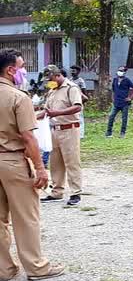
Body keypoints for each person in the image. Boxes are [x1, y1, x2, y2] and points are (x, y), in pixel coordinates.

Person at [0, 49, 65, 281]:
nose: (24, 70)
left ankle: (4, 269)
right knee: (26, 216)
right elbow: (28, 137)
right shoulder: (18, 97)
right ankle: (36, 267)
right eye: (22, 66)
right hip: (12, 160)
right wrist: (40, 168)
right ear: (10, 70)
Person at [40, 65, 84, 206]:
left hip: (69, 129)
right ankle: (57, 191)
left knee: (72, 161)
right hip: (55, 130)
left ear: (58, 75)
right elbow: (47, 111)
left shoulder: (71, 88)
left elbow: (78, 106)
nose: (49, 81)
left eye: (51, 78)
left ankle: (75, 193)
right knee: (55, 163)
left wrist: (57, 113)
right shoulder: (52, 90)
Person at [105, 65, 133, 138]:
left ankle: (122, 133)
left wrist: (130, 97)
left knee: (124, 118)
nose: (120, 72)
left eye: (122, 71)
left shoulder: (127, 80)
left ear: (124, 72)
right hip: (116, 102)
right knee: (111, 116)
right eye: (119, 70)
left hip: (125, 103)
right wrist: (113, 98)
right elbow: (113, 90)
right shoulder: (115, 80)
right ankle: (109, 132)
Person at [69, 65, 89, 139]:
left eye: (74, 71)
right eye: (71, 71)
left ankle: (81, 135)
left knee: (80, 119)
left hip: (79, 101)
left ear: (78, 72)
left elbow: (84, 93)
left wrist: (81, 102)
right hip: (71, 101)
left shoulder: (80, 81)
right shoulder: (70, 80)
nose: (72, 72)